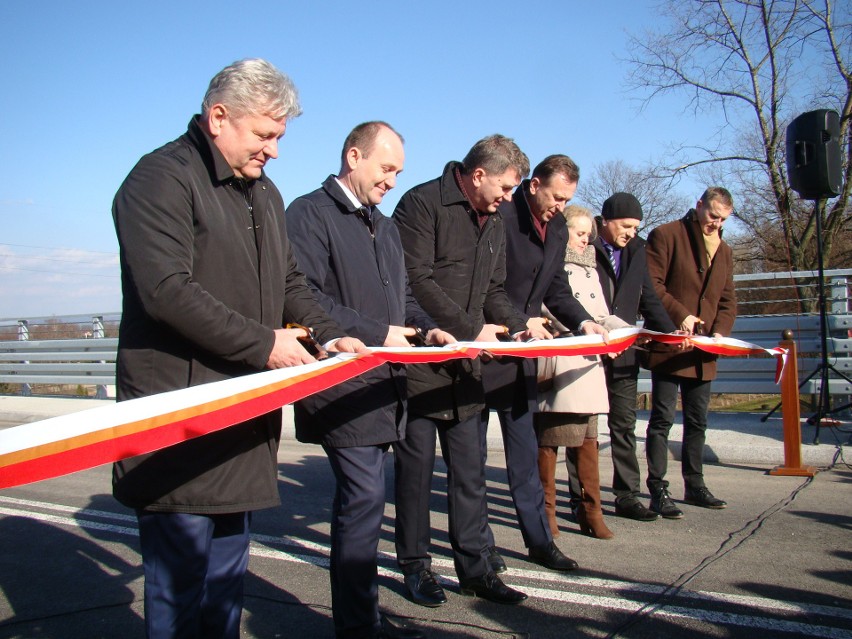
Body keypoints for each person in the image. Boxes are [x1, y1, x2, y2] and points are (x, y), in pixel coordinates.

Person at [111, 59, 365, 639]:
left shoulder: (264, 195)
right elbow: (166, 292)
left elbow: (291, 284)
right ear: (218, 117)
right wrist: (264, 345)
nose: (275, 150)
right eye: (265, 134)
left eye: (280, 136)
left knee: (226, 585)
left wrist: (327, 331)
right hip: (178, 417)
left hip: (242, 416)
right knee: (177, 591)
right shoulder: (159, 179)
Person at [286, 122, 454, 639]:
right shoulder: (308, 214)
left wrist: (425, 329)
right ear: (353, 156)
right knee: (362, 503)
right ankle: (360, 626)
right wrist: (378, 331)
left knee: (363, 503)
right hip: (342, 383)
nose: (392, 181)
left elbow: (399, 302)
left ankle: (364, 617)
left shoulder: (383, 225)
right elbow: (305, 297)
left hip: (386, 385)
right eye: (386, 169)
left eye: (399, 172)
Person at [392, 135, 551, 607]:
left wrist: (518, 327)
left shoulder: (496, 220)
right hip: (424, 360)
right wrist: (469, 330)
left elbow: (495, 289)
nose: (508, 198)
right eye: (503, 187)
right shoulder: (421, 204)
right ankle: (416, 566)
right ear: (477, 174)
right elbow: (415, 281)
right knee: (415, 473)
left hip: (467, 369)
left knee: (470, 473)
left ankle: (476, 568)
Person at [481, 155, 608, 565]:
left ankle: (540, 543)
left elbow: (556, 288)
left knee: (524, 453)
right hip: (488, 343)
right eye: (556, 196)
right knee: (471, 460)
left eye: (568, 198)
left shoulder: (556, 227)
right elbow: (487, 285)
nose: (561, 206)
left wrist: (583, 322)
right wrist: (517, 322)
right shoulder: (501, 215)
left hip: (525, 355)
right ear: (534, 185)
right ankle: (478, 547)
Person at [577, 192, 677, 523]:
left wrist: (669, 333)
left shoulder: (637, 251)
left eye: (636, 227)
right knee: (583, 427)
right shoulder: (582, 242)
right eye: (626, 225)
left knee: (624, 424)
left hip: (622, 350)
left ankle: (627, 494)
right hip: (588, 348)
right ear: (605, 220)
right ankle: (583, 496)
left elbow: (648, 297)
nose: (631, 232)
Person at [536, 205, 630, 540]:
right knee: (553, 439)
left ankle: (590, 510)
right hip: (562, 357)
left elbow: (600, 312)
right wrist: (583, 327)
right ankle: (545, 512)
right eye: (578, 234)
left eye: (588, 235)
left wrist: (624, 331)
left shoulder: (591, 268)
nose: (584, 240)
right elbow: (549, 305)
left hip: (589, 362)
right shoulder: (551, 263)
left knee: (589, 439)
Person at [643, 187, 737, 519]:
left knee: (698, 421)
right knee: (662, 420)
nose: (716, 224)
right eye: (712, 215)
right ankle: (658, 487)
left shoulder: (724, 250)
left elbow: (727, 300)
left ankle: (695, 485)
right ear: (698, 206)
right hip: (671, 345)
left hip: (702, 352)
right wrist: (680, 316)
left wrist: (719, 335)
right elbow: (653, 285)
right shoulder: (666, 235)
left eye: (723, 219)